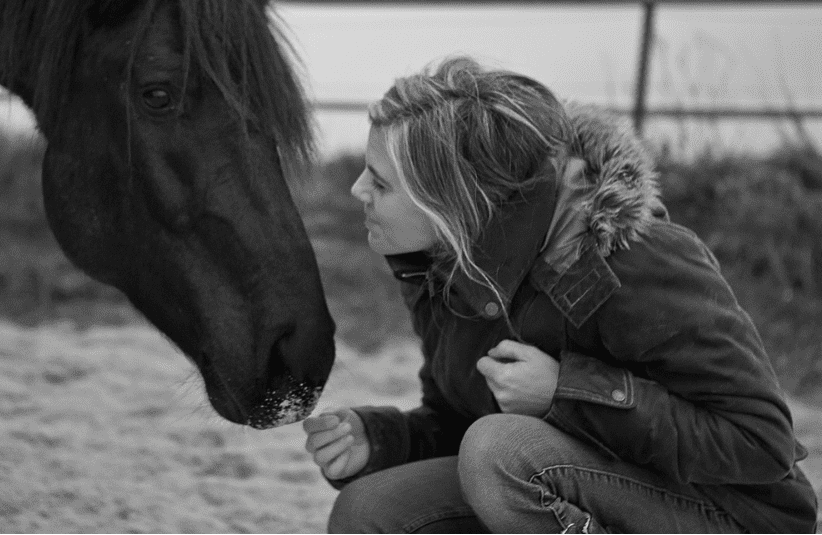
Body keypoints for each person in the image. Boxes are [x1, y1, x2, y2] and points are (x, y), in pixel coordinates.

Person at [302, 55, 818, 533]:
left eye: (381, 183)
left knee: (500, 451)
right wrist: (383, 441)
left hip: (736, 515)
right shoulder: (443, 272)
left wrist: (566, 393)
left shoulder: (634, 258)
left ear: (452, 200)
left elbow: (760, 441)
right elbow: (463, 418)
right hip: (578, 482)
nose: (357, 191)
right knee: (369, 511)